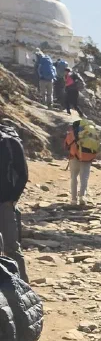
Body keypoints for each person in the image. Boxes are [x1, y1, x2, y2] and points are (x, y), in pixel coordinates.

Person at [0, 118, 29, 281]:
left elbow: (23, 174)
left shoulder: (10, 144)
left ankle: (23, 288)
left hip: (4, 202)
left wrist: (12, 200)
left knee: (11, 247)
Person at [64, 116, 95, 205]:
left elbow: (65, 146)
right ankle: (82, 197)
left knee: (74, 177)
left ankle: (73, 199)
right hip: (87, 158)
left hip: (74, 157)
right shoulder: (90, 133)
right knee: (84, 178)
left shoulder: (71, 133)